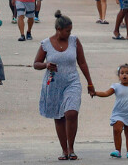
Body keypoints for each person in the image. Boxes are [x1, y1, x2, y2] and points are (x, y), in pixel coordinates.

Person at [33, 11, 95, 161]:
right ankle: (64, 150)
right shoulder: (46, 44)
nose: (69, 33)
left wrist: (90, 83)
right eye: (67, 31)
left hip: (72, 82)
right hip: (54, 85)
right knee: (59, 117)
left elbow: (82, 62)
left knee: (71, 113)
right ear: (58, 29)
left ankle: (72, 148)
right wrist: (46, 65)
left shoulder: (74, 41)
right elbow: (36, 64)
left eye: (71, 30)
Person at [90, 64, 128, 159]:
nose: (124, 75)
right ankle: (118, 150)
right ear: (119, 76)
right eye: (122, 73)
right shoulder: (116, 86)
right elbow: (106, 93)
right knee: (117, 129)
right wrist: (95, 93)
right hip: (118, 113)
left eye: (127, 73)